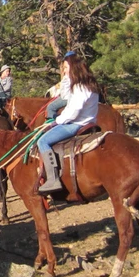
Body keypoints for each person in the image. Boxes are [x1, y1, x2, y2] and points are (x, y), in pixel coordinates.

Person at [35, 55, 101, 192]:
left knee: (43, 142)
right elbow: (65, 96)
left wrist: (54, 123)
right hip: (86, 122)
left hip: (76, 124)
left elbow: (73, 112)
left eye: (65, 68)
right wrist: (66, 78)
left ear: (74, 67)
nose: (64, 70)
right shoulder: (86, 85)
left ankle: (53, 179)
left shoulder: (80, 87)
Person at [45, 51, 78, 120]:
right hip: (71, 95)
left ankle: (51, 123)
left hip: (67, 97)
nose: (64, 69)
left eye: (65, 67)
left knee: (50, 107)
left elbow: (66, 87)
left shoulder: (69, 74)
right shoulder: (79, 71)